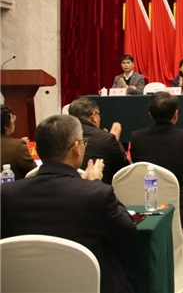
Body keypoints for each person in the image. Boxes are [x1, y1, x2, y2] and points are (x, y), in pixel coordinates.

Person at [1, 115, 135, 293]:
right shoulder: (96, 194)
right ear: (76, 149)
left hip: (23, 284)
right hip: (89, 284)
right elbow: (127, 235)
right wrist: (96, 183)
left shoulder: (6, 194)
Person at [130, 92, 183, 195]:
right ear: (176, 114)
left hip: (148, 195)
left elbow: (136, 163)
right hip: (181, 197)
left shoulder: (136, 137)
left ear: (150, 114)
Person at [68, 97, 130, 185]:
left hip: (66, 187)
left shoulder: (61, 136)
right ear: (94, 117)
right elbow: (124, 171)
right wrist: (115, 139)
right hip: (100, 188)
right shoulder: (106, 139)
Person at [0, 104, 37, 179]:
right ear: (6, 124)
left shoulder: (16, 145)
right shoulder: (18, 146)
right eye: (12, 118)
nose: (14, 120)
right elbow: (34, 172)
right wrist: (19, 145)